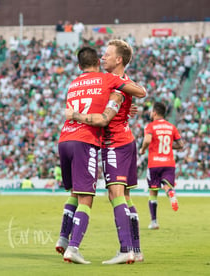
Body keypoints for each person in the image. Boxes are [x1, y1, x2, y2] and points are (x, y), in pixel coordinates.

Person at [58, 40, 147, 264]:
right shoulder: (112, 83)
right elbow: (130, 96)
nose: (103, 58)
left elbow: (109, 115)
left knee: (113, 195)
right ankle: (135, 250)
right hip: (124, 140)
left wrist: (77, 116)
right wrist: (127, 107)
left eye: (107, 54)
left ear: (118, 59)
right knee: (124, 196)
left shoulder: (113, 82)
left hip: (114, 143)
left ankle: (126, 249)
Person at [139, 102, 184, 230]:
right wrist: (170, 145)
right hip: (169, 163)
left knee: (153, 192)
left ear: (154, 113)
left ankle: (154, 222)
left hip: (154, 163)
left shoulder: (151, 126)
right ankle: (170, 192)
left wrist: (143, 149)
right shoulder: (171, 127)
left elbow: (147, 140)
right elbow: (181, 145)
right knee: (166, 184)